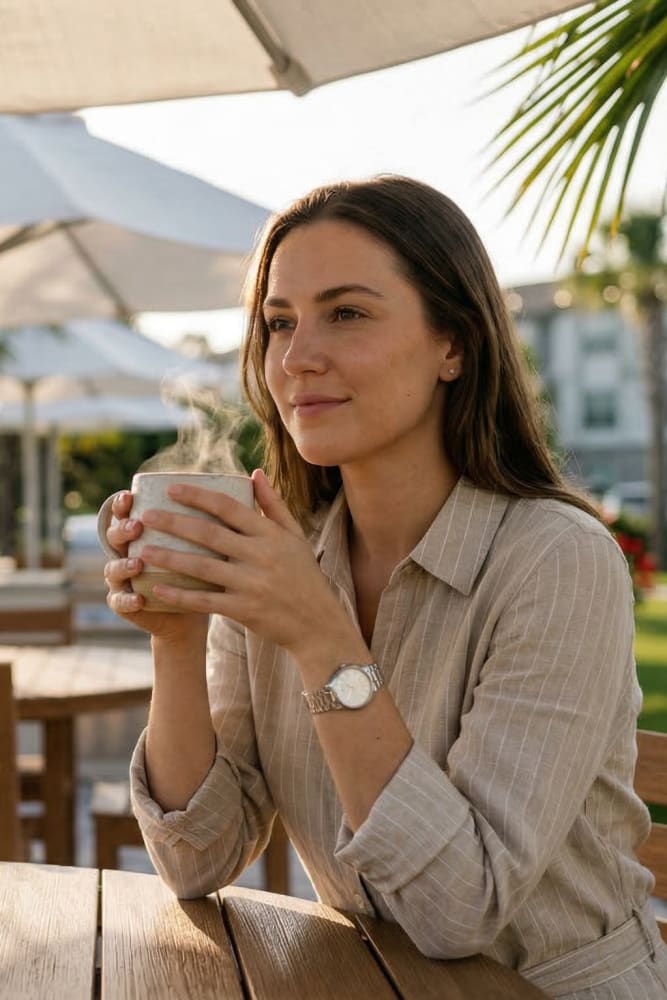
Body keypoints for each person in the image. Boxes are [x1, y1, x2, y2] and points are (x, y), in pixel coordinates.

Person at [104, 176, 667, 998]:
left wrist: (320, 636)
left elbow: (455, 912)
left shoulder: (555, 561)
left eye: (348, 313)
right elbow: (196, 859)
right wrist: (178, 639)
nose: (297, 358)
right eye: (279, 323)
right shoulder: (282, 553)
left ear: (455, 344)